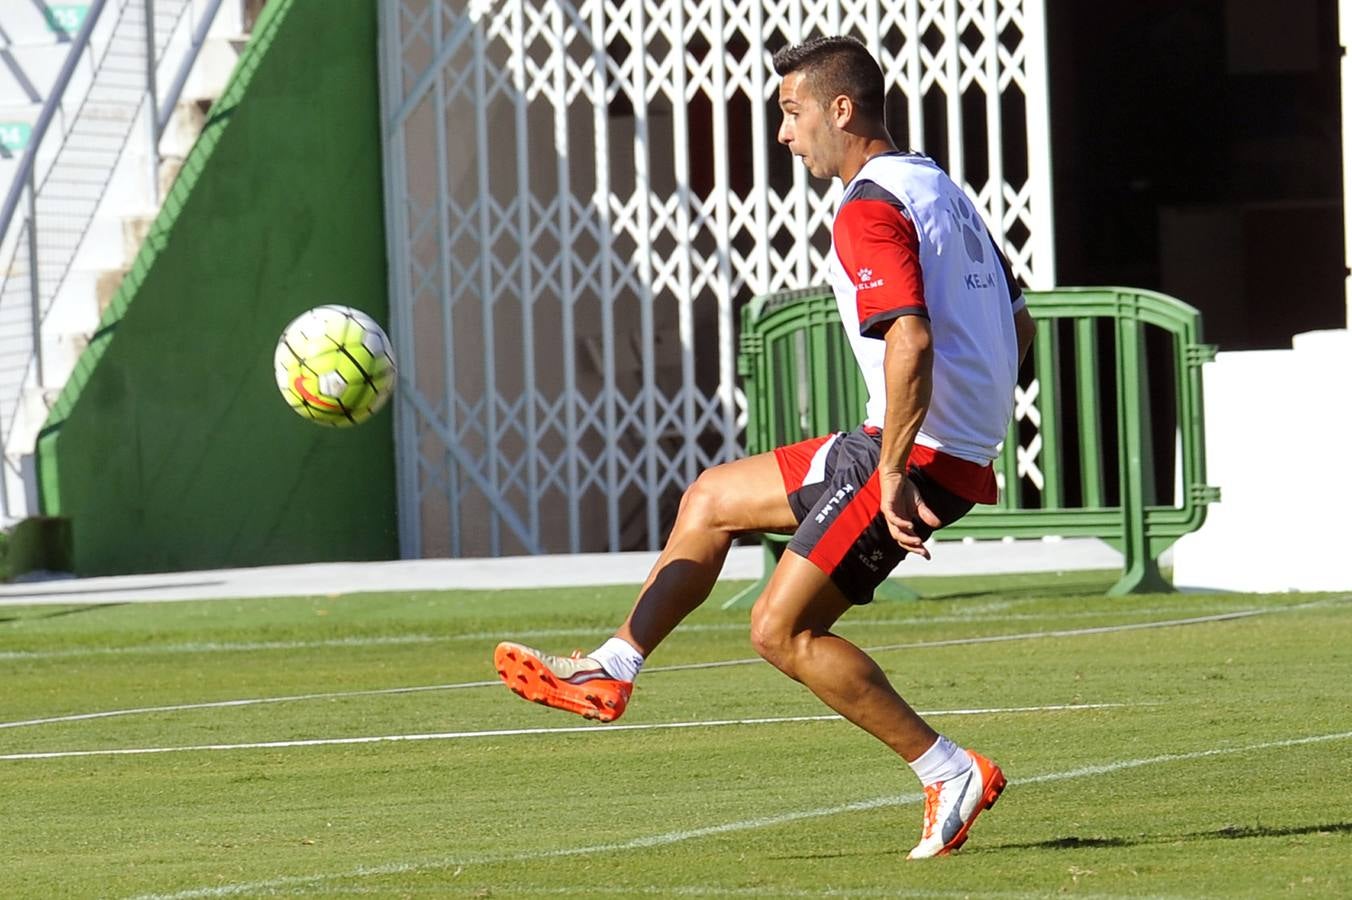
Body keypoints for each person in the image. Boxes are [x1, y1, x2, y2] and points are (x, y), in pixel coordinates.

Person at [494, 34, 1036, 859]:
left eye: (792, 112)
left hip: (914, 457)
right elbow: (1018, 319)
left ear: (841, 109)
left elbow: (913, 343)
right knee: (712, 498)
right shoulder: (938, 187)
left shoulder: (867, 206)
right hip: (917, 444)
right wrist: (971, 417)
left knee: (779, 632)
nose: (784, 134)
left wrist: (899, 468)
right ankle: (613, 667)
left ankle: (948, 770)